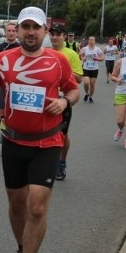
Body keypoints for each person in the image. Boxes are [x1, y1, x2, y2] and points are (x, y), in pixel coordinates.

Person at [0, 7, 79, 253]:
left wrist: (65, 103)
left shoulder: (57, 61)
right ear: (17, 30)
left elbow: (73, 90)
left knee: (37, 206)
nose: (30, 32)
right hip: (13, 143)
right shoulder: (3, 60)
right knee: (18, 204)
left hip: (47, 142)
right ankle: (21, 251)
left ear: (45, 31)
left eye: (36, 27)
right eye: (25, 27)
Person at [48, 24, 83, 181]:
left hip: (63, 99)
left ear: (64, 36)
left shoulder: (71, 54)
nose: (54, 37)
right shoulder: (45, 53)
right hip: (46, 99)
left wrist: (62, 72)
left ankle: (61, 162)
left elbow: (79, 78)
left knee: (62, 134)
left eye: (58, 34)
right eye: (52, 34)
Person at [0, 21, 20, 122]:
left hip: (18, 85)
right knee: (1, 113)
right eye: (9, 30)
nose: (11, 33)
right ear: (5, 32)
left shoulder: (21, 48)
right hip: (2, 86)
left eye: (14, 31)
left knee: (17, 114)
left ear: (17, 33)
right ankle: (4, 134)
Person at [79, 36, 103, 103]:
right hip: (86, 68)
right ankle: (87, 93)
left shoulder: (97, 49)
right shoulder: (85, 49)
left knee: (92, 84)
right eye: (90, 40)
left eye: (92, 40)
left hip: (94, 69)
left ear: (94, 41)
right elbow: (81, 56)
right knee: (86, 83)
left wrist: (97, 58)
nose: (91, 41)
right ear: (88, 41)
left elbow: (102, 58)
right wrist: (83, 59)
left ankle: (90, 97)